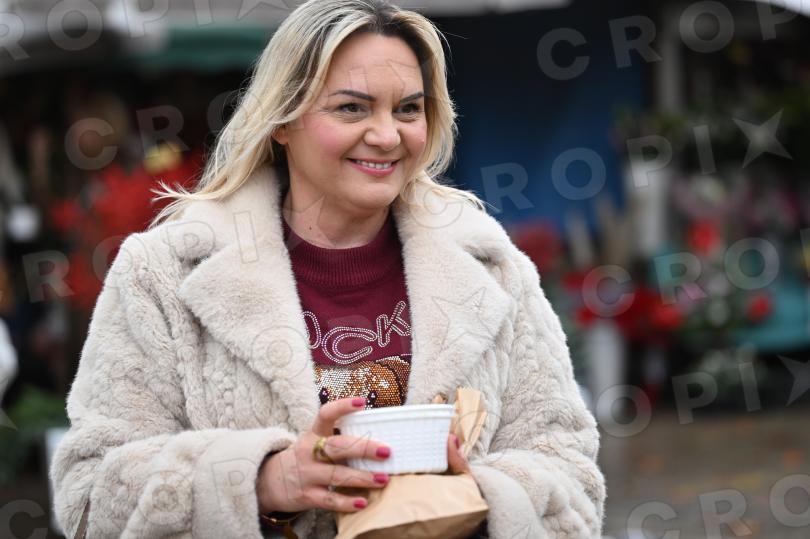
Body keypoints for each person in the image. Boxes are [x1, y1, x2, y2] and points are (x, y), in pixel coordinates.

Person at [50, 1, 605, 537]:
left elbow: (571, 473)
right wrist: (261, 480)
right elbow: (89, 494)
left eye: (408, 109)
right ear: (282, 120)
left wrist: (474, 500)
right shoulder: (163, 274)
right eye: (352, 108)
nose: (387, 135)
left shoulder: (492, 269)